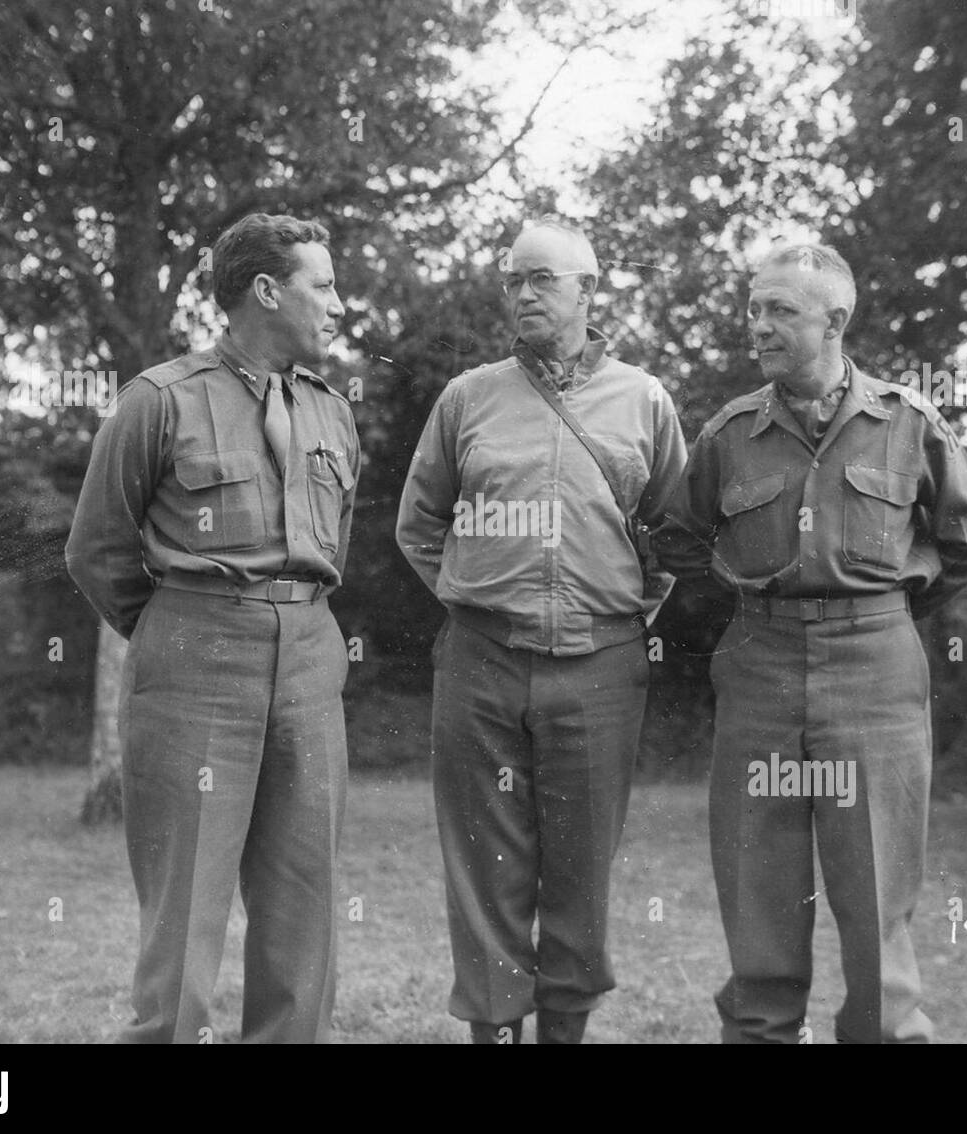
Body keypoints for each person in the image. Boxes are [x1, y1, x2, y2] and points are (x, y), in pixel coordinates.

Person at [654, 243, 967, 1043]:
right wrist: (750, 593)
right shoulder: (731, 433)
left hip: (875, 671)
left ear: (834, 320)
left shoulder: (907, 423)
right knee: (758, 886)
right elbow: (677, 539)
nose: (758, 326)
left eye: (780, 309)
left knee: (875, 894)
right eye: (753, 308)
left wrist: (884, 606)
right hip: (760, 669)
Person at [65, 213, 359, 1043]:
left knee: (306, 912)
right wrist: (184, 629)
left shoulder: (333, 415)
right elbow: (98, 551)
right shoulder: (159, 402)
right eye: (324, 285)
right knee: (183, 919)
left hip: (309, 661)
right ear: (267, 291)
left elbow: (330, 548)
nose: (338, 305)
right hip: (193, 663)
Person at [396, 219, 688, 1043]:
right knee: (485, 865)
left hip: (601, 666)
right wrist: (475, 597)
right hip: (480, 662)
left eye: (542, 280)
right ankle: (493, 1030)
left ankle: (564, 1033)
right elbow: (419, 526)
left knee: (581, 865)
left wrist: (617, 615)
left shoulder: (644, 400)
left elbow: (672, 539)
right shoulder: (468, 398)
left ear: (589, 291)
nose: (523, 294)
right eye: (513, 280)